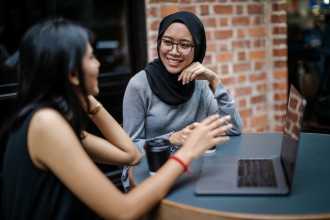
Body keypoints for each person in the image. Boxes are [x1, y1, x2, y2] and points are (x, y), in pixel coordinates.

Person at [1, 18, 232, 220]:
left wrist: (91, 103)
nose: (99, 64)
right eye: (91, 57)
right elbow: (123, 211)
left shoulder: (56, 120)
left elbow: (129, 155)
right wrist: (187, 152)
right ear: (72, 73)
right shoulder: (45, 124)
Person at [123, 11, 242, 153]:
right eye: (167, 42)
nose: (174, 51)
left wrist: (214, 80)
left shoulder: (200, 83)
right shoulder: (139, 85)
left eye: (184, 45)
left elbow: (233, 129)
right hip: (153, 172)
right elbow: (130, 149)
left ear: (197, 49)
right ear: (159, 43)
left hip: (192, 169)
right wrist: (171, 139)